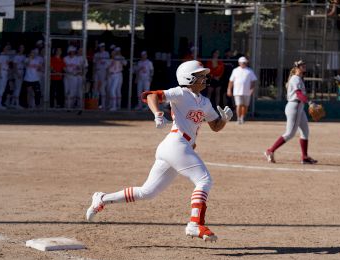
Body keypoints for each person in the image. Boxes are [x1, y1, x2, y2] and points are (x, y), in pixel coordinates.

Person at [85, 60, 234, 242]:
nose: (205, 78)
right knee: (204, 180)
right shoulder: (180, 92)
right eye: (200, 75)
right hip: (176, 143)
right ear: (189, 78)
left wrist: (224, 120)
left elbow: (215, 126)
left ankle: (102, 198)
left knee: (147, 192)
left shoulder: (205, 102)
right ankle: (194, 224)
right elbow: (150, 96)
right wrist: (157, 114)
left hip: (177, 147)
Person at [264, 60, 318, 164]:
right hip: (295, 106)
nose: (304, 66)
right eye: (302, 65)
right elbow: (298, 94)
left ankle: (304, 157)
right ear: (297, 68)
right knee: (290, 133)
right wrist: (309, 102)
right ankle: (270, 151)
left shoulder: (299, 79)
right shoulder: (296, 79)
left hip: (299, 107)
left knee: (305, 131)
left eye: (304, 65)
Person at [227, 56, 257, 124]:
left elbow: (253, 81)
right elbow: (231, 81)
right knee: (239, 105)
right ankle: (238, 119)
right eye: (242, 62)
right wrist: (229, 89)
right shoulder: (235, 70)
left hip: (247, 92)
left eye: (244, 62)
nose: (243, 63)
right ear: (239, 63)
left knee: (245, 106)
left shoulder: (250, 71)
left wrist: (252, 89)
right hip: (237, 91)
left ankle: (242, 117)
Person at [106, 47, 127, 111]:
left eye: (115, 53)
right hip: (110, 75)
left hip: (117, 75)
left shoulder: (119, 58)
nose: (113, 54)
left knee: (114, 90)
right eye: (112, 53)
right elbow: (107, 68)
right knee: (110, 90)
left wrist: (119, 57)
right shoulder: (109, 60)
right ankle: (111, 105)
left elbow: (125, 63)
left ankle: (116, 106)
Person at [93, 43, 110, 110]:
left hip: (103, 72)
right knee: (96, 89)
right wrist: (93, 74)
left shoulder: (106, 54)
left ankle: (103, 105)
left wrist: (107, 74)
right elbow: (94, 65)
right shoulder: (96, 54)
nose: (102, 48)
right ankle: (95, 105)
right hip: (97, 71)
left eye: (103, 47)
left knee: (102, 89)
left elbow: (108, 65)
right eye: (101, 47)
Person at [0, 44, 12, 109]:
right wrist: (0, 73)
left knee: (2, 89)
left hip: (5, 72)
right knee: (1, 89)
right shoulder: (1, 55)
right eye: (5, 48)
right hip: (2, 72)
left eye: (7, 48)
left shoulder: (7, 56)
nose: (7, 49)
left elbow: (8, 64)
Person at [11, 44, 26, 109]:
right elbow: (14, 66)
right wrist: (17, 73)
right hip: (18, 72)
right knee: (18, 88)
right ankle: (17, 104)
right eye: (21, 47)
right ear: (19, 48)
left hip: (22, 71)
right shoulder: (16, 56)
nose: (22, 49)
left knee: (17, 88)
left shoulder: (24, 56)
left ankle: (12, 103)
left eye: (23, 47)